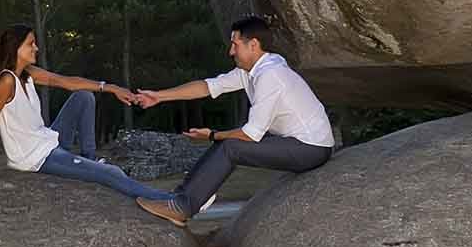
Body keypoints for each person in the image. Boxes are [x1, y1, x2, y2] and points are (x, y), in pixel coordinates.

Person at [132, 15, 335, 226]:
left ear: (253, 45)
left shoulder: (270, 75)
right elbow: (207, 86)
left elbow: (250, 135)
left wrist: (211, 135)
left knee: (231, 146)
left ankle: (184, 206)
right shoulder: (251, 71)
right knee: (230, 140)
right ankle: (181, 198)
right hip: (299, 143)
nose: (230, 51)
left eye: (235, 45)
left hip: (311, 149)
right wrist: (159, 96)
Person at [0, 24, 175, 201]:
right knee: (113, 173)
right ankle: (168, 200)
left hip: (48, 140)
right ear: (16, 48)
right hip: (35, 158)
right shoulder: (6, 81)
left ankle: (90, 159)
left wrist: (110, 87)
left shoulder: (27, 73)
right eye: (31, 43)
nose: (36, 48)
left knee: (84, 97)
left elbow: (66, 82)